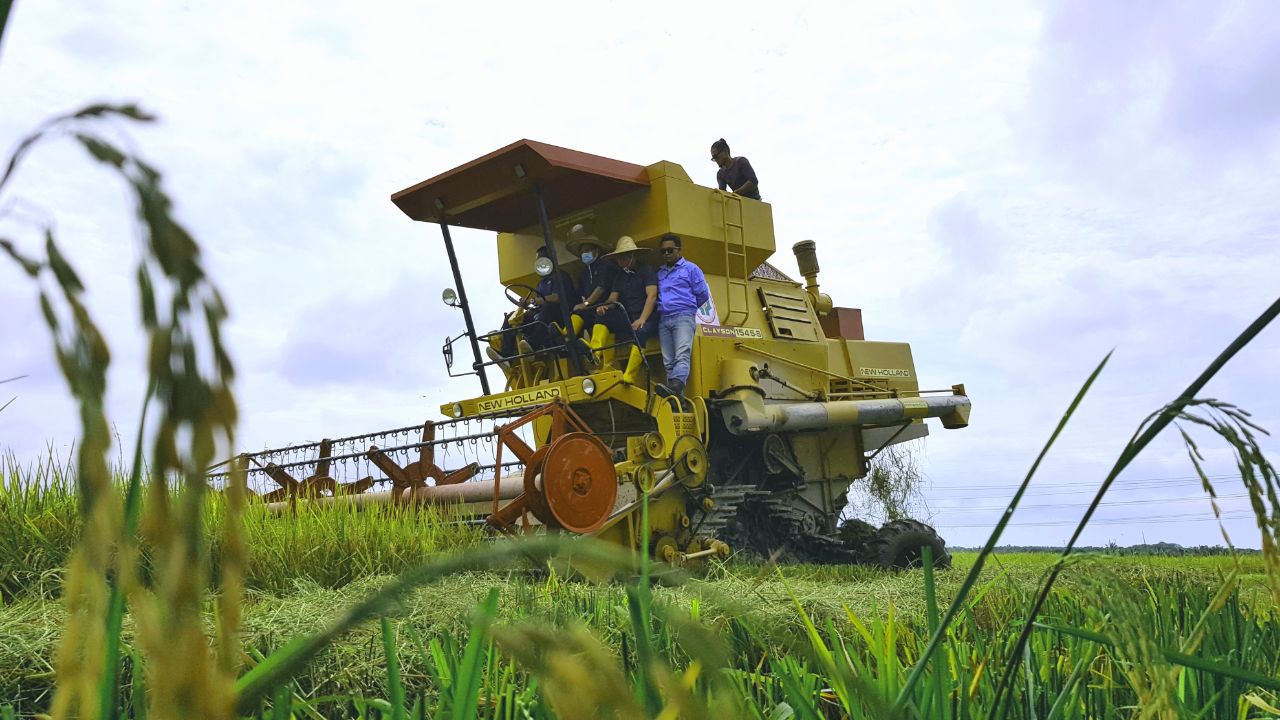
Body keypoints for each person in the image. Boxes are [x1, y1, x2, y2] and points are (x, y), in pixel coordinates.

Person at [588, 236, 657, 384]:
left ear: (632, 256)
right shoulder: (620, 275)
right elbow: (613, 299)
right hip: (629, 317)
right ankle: (594, 352)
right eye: (618, 259)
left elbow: (651, 296)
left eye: (624, 258)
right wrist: (605, 307)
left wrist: (642, 319)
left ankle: (629, 376)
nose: (621, 262)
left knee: (641, 332)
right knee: (604, 317)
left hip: (647, 316)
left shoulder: (646, 270)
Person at [655, 233, 709, 397]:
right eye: (663, 251)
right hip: (664, 319)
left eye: (670, 250)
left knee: (682, 354)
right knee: (668, 362)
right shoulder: (660, 273)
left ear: (679, 250)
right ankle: (678, 398)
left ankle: (676, 386)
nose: (666, 254)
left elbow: (703, 295)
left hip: (683, 316)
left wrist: (687, 308)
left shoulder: (691, 269)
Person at [566, 224, 613, 337]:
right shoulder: (584, 272)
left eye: (587, 250)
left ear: (597, 250)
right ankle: (566, 336)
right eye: (582, 252)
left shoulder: (606, 265)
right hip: (592, 310)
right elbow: (580, 292)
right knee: (578, 313)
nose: (584, 254)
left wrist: (586, 303)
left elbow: (602, 287)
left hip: (607, 308)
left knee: (593, 314)